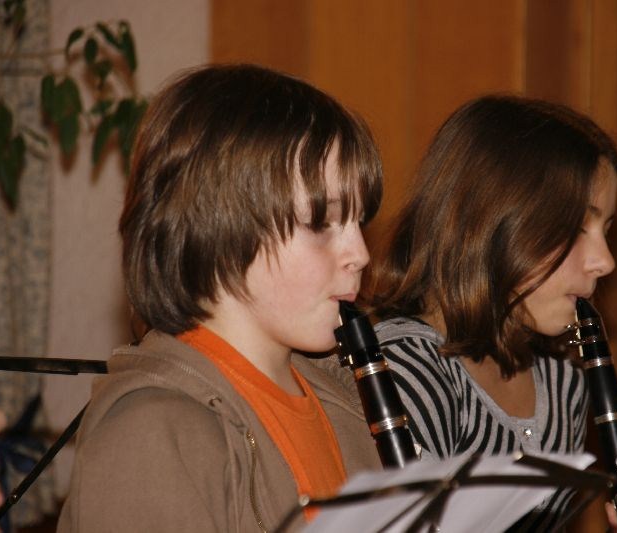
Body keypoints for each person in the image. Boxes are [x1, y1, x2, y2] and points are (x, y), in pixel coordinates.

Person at [56, 64, 383, 532]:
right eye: (320, 223)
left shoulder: (344, 399)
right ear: (221, 230)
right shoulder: (152, 434)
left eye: (358, 221)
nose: (360, 254)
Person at [366, 95, 617, 530]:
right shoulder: (407, 370)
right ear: (491, 221)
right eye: (576, 228)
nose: (605, 261)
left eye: (605, 230)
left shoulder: (562, 381)